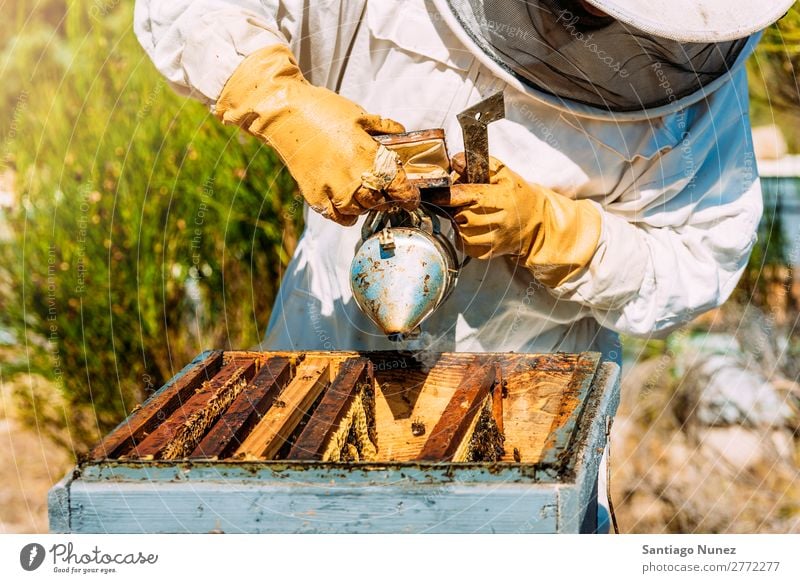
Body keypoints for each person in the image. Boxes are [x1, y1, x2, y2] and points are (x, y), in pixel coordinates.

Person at [133, 0, 790, 529]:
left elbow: (701, 254)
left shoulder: (692, 78)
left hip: (534, 403)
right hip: (329, 355)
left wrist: (558, 232)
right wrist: (278, 98)